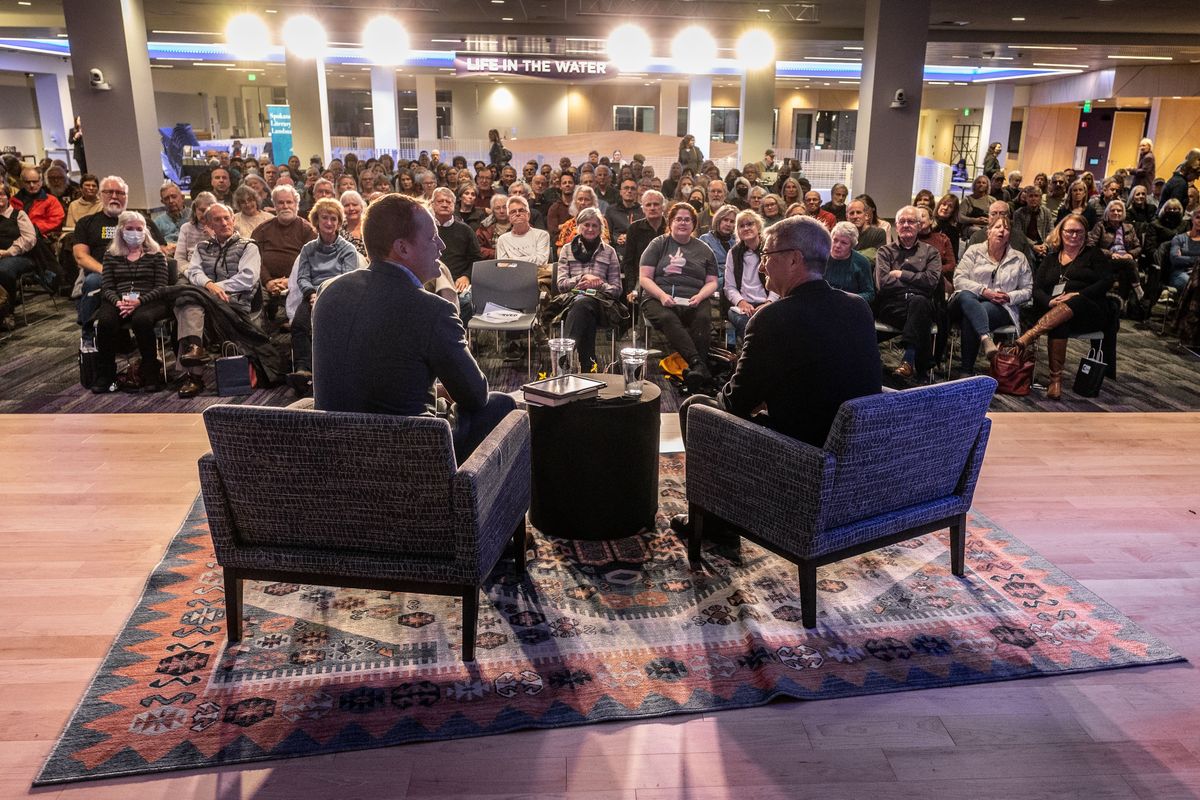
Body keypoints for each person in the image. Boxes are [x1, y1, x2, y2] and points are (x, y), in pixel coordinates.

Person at [673, 213, 881, 543]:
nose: (762, 266)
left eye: (768, 256)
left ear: (795, 259)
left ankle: (716, 523)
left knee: (696, 407)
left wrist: (741, 391)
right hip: (856, 454)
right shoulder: (857, 307)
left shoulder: (773, 318)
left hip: (800, 459)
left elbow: (735, 403)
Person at [312, 193, 515, 461]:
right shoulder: (433, 310)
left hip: (332, 452)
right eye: (432, 238)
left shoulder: (329, 292)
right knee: (502, 405)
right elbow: (475, 396)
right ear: (402, 248)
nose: (442, 246)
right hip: (408, 456)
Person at [1016, 214, 1115, 399]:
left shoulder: (1094, 255)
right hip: (1057, 314)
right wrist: (1049, 301)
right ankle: (1055, 381)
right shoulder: (1051, 258)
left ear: (1085, 234)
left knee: (1074, 300)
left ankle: (1030, 334)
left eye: (1079, 232)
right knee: (1059, 322)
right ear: (1060, 233)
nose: (1074, 236)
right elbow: (1036, 288)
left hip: (1089, 310)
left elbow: (1107, 281)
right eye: (1069, 231)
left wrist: (1079, 294)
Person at [174, 203, 263, 398]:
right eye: (217, 220)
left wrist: (215, 287)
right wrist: (208, 285)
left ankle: (192, 373)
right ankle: (195, 349)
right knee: (189, 303)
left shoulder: (249, 246)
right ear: (209, 224)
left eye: (226, 218)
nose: (223, 223)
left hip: (235, 303)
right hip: (207, 301)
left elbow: (247, 278)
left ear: (233, 220)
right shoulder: (202, 247)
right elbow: (193, 271)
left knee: (189, 301)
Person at [72, 176, 166, 345]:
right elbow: (80, 256)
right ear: (101, 195)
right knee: (94, 281)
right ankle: (88, 336)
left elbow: (161, 249)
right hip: (101, 272)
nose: (115, 196)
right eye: (109, 192)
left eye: (120, 193)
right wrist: (107, 271)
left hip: (139, 274)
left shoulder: (142, 221)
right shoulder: (87, 223)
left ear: (126, 196)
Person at [639, 202, 719, 393]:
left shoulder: (704, 249)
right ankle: (698, 365)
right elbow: (644, 278)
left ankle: (694, 373)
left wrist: (700, 296)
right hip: (657, 297)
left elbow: (713, 282)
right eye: (678, 219)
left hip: (694, 298)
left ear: (694, 224)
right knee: (668, 318)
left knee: (703, 317)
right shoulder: (658, 244)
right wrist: (662, 295)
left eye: (687, 220)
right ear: (670, 222)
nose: (683, 223)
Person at [286, 198, 361, 396]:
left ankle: (333, 372)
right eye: (325, 218)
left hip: (338, 295)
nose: (329, 223)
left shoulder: (348, 249)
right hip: (311, 294)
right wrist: (311, 294)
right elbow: (302, 277)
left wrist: (323, 294)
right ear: (316, 221)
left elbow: (347, 278)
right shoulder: (308, 249)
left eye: (333, 219)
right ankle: (303, 369)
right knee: (299, 323)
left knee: (333, 325)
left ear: (338, 222)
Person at [91, 211, 172, 393]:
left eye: (138, 229)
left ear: (145, 231)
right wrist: (119, 302)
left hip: (150, 299)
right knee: (106, 321)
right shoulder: (111, 255)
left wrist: (138, 302)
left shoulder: (156, 255)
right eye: (129, 228)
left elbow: (161, 287)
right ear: (121, 230)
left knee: (141, 321)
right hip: (118, 299)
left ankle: (151, 373)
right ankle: (106, 374)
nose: (134, 232)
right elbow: (107, 287)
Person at [948, 217, 1033, 375]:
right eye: (998, 227)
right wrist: (984, 291)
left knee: (973, 314)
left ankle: (967, 369)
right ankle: (986, 339)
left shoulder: (1019, 258)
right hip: (964, 301)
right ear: (988, 232)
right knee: (967, 296)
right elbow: (959, 280)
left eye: (1006, 228)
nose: (1002, 230)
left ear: (1010, 234)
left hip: (1000, 306)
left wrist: (1008, 296)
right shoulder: (974, 251)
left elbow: (1028, 290)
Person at [875, 205, 942, 381]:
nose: (906, 225)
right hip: (893, 307)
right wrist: (915, 283)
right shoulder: (885, 251)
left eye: (911, 221)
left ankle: (908, 362)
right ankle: (921, 368)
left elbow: (931, 282)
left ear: (919, 226)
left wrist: (901, 274)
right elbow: (883, 283)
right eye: (902, 221)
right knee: (921, 312)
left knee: (919, 303)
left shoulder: (931, 253)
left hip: (920, 305)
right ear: (896, 226)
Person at [552, 207, 621, 372]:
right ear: (578, 226)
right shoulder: (567, 250)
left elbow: (617, 289)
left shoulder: (610, 252)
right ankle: (588, 365)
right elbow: (561, 285)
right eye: (586, 225)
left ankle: (566, 352)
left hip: (602, 304)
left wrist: (598, 284)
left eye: (595, 225)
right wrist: (582, 279)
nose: (590, 229)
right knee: (583, 308)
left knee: (585, 304)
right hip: (571, 302)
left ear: (600, 228)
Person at [251, 184, 316, 319]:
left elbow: (311, 261)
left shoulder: (307, 229)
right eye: (280, 202)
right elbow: (254, 259)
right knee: (254, 300)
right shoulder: (262, 229)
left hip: (298, 283)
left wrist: (289, 281)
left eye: (289, 202)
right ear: (274, 205)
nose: (285, 206)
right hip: (264, 284)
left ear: (296, 205)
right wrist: (268, 281)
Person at [723, 209, 778, 344]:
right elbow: (729, 287)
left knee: (766, 322)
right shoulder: (733, 253)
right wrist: (741, 302)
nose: (746, 228)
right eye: (741, 226)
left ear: (758, 226)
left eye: (750, 224)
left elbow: (777, 282)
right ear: (737, 231)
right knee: (746, 322)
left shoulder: (770, 249)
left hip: (768, 303)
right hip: (743, 306)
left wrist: (769, 302)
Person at [431, 186, 483, 321]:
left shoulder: (465, 230)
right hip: (430, 280)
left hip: (458, 281)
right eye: (440, 201)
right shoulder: (424, 228)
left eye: (448, 202)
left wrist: (466, 276)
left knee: (465, 302)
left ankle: (459, 338)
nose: (444, 204)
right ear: (432, 205)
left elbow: (477, 259)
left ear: (454, 206)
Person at [1088, 199, 1142, 300]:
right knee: (1129, 264)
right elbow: (1091, 246)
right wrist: (1110, 254)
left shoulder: (1129, 227)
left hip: (1126, 259)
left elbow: (1138, 247)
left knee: (1125, 271)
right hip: (1106, 260)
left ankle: (1121, 303)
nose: (1116, 213)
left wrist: (1131, 254)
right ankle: (1138, 290)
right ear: (1107, 212)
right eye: (1113, 210)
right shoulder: (1100, 226)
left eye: (1119, 210)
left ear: (1123, 213)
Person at [0, 182, 36, 328]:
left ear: (8, 197)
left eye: (1, 194)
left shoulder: (18, 214)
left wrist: (8, 251)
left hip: (19, 256)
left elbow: (29, 239)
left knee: (3, 270)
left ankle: (7, 311)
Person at [622, 189, 666, 298]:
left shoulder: (671, 227)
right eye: (648, 205)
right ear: (643, 209)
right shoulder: (634, 229)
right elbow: (628, 262)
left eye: (656, 204)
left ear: (663, 207)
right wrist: (631, 289)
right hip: (642, 278)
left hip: (667, 278)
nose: (652, 208)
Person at [825, 221, 875, 305]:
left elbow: (869, 294)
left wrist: (848, 298)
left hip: (849, 306)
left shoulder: (862, 262)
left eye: (844, 243)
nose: (837, 245)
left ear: (852, 245)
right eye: (835, 240)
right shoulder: (820, 256)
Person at [496, 195, 550, 264]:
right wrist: (530, 259)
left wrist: (512, 260)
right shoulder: (502, 239)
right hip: (512, 274)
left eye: (521, 210)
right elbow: (502, 265)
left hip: (536, 274)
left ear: (528, 215)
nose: (517, 214)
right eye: (513, 212)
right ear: (509, 218)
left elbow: (541, 261)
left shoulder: (542, 235)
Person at [175, 191, 216, 278]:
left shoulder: (220, 228)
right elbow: (179, 259)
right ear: (195, 210)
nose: (204, 214)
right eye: (201, 210)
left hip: (214, 272)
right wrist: (193, 273)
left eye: (208, 210)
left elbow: (226, 259)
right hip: (189, 272)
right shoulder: (186, 228)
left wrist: (213, 237)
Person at [16, 167, 64, 238]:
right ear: (22, 182)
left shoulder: (51, 200)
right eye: (28, 182)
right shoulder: (13, 201)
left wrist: (32, 229)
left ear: (41, 182)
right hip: (17, 236)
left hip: (42, 237)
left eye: (35, 182)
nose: (32, 185)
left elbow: (55, 220)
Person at [605, 177, 643, 262]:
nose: (629, 191)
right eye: (626, 188)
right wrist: (616, 238)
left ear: (636, 192)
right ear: (620, 192)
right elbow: (607, 233)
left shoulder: (642, 211)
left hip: (637, 252)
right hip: (617, 251)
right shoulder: (611, 210)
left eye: (633, 189)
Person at [1166, 210, 1200, 292]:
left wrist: (1183, 257)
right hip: (1180, 274)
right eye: (1198, 217)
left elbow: (1180, 259)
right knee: (1194, 284)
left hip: (1198, 274)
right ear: (1192, 219)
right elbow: (1175, 259)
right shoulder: (1179, 238)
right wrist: (1198, 259)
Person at [152, 181, 188, 256]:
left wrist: (177, 247)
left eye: (174, 197)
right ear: (162, 202)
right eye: (166, 199)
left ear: (182, 197)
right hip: (168, 257)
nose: (171, 201)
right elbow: (152, 245)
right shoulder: (157, 222)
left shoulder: (193, 216)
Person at [475, 193, 512, 260]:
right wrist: (497, 253)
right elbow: (477, 248)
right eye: (497, 208)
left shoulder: (518, 225)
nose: (501, 211)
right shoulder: (484, 228)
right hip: (491, 264)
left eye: (504, 207)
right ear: (492, 211)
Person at [959, 175, 995, 242]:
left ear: (987, 186)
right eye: (979, 182)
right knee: (978, 231)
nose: (981, 184)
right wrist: (975, 220)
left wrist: (989, 220)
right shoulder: (967, 200)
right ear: (974, 185)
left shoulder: (992, 200)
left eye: (984, 183)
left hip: (988, 226)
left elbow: (997, 216)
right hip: (970, 227)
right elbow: (960, 217)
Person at [546, 172, 576, 236]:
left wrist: (561, 226)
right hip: (559, 243)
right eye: (564, 183)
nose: (567, 185)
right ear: (560, 186)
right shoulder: (554, 208)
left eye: (570, 182)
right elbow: (553, 230)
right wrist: (571, 224)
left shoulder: (580, 206)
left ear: (574, 185)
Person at [339, 190, 367, 258]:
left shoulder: (370, 225)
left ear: (361, 207)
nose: (351, 208)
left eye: (354, 205)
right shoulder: (337, 231)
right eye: (346, 205)